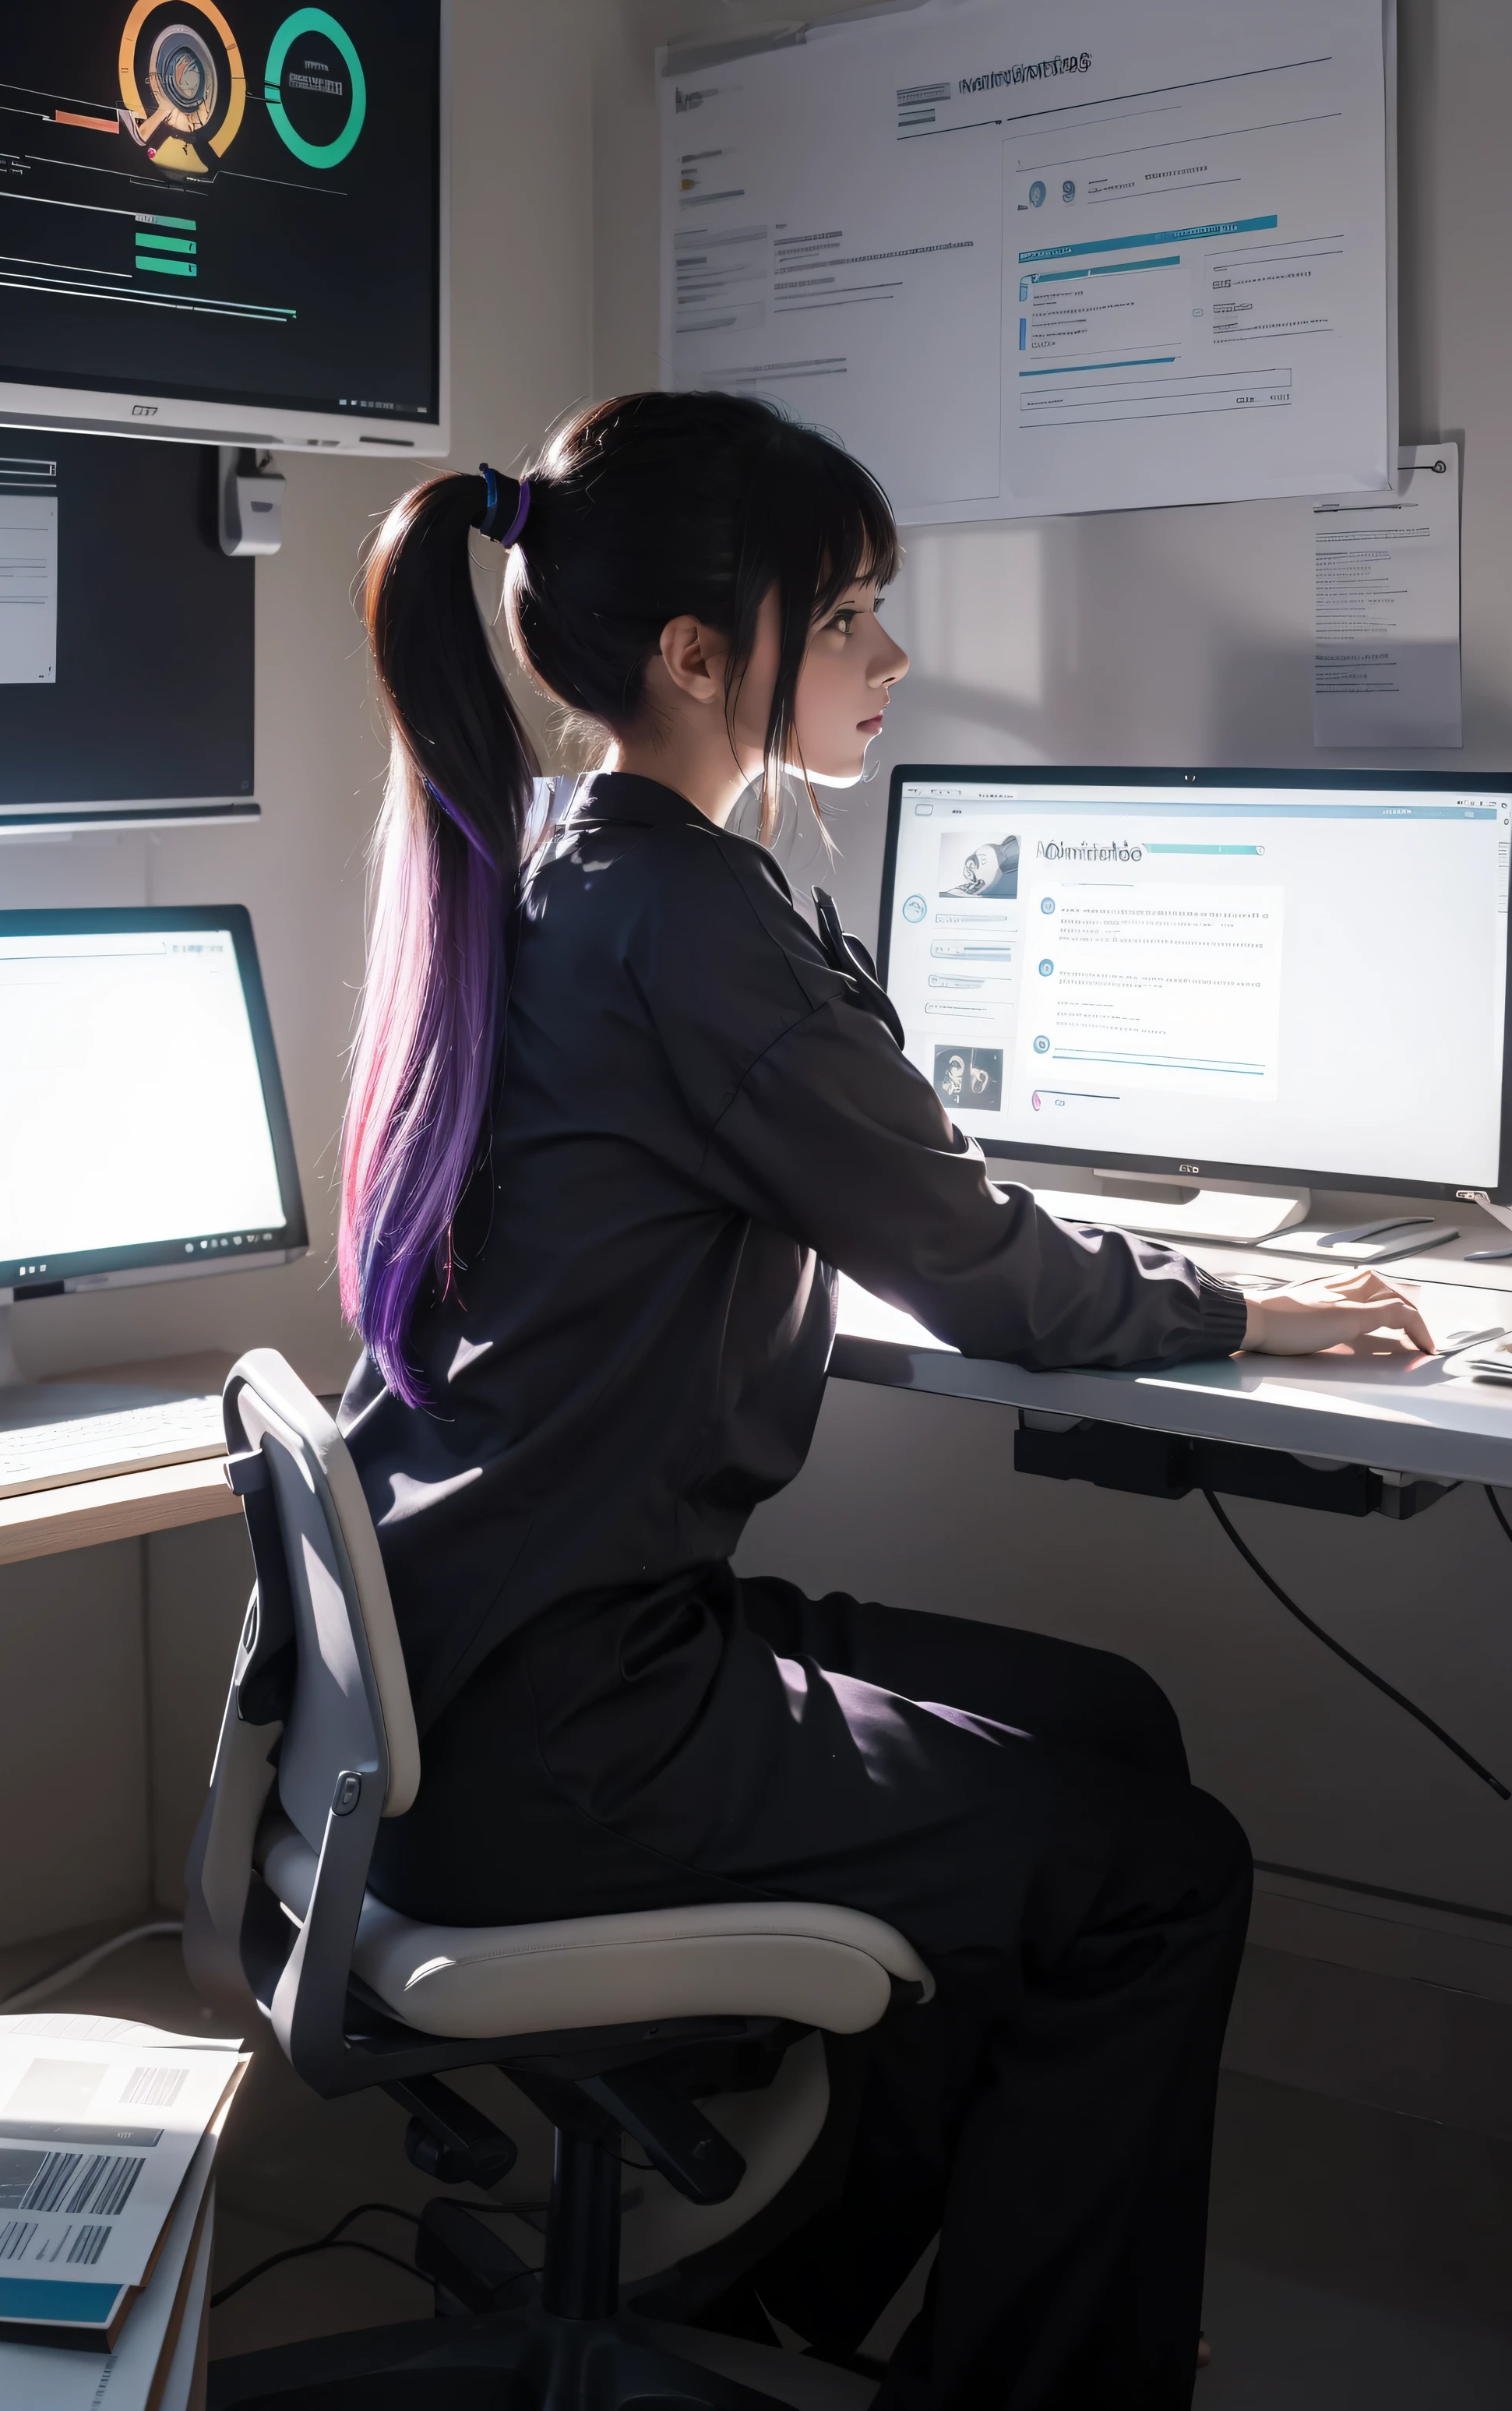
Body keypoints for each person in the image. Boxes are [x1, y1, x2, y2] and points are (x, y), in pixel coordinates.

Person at [333, 391, 1440, 2411]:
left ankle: (800, 2287)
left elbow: (884, 1190)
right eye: (848, 613)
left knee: (1106, 1731)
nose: (892, 658)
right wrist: (1244, 1306)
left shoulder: (579, 862)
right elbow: (975, 1264)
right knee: (1162, 1874)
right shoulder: (683, 916)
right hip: (582, 1724)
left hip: (495, 1671)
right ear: (698, 656)